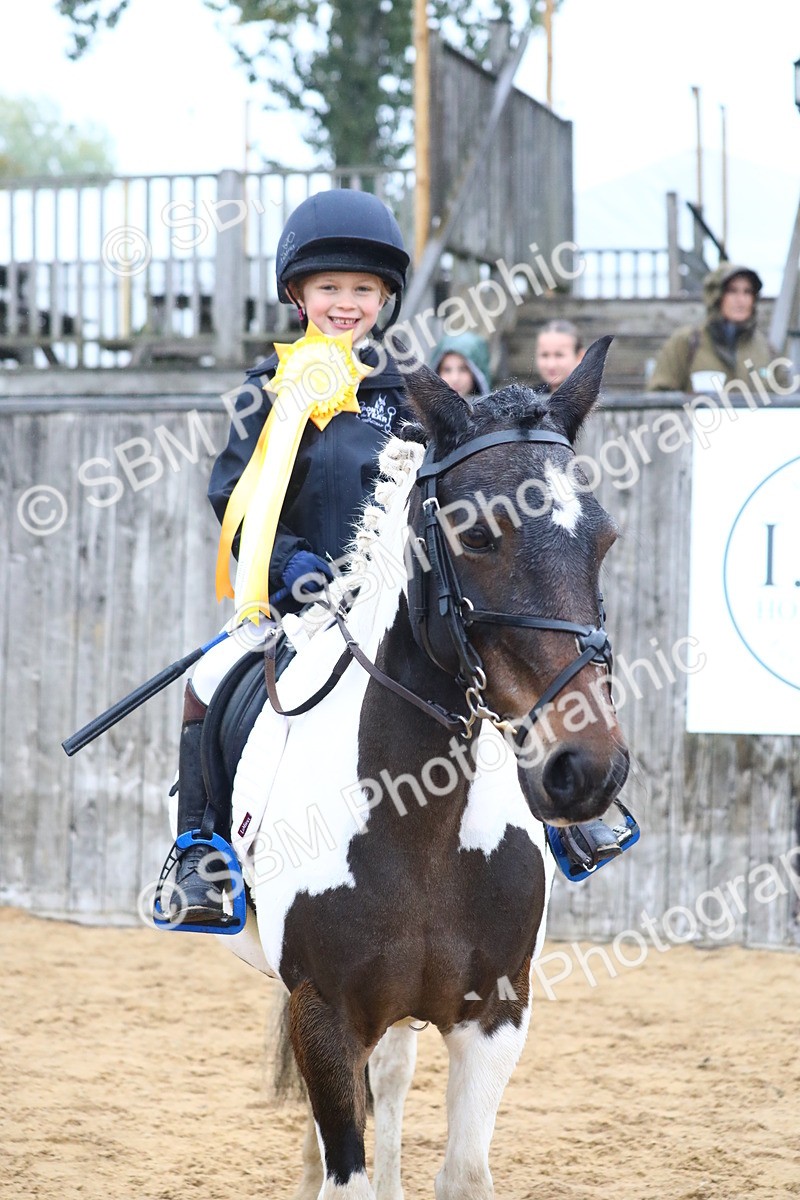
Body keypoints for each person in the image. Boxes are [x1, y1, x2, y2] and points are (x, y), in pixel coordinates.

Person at [169, 188, 412, 924]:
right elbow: (235, 501)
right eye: (329, 287)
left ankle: (568, 820)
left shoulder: (402, 394)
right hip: (298, 606)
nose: (346, 302)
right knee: (207, 681)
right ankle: (199, 856)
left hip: (395, 605)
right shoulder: (264, 392)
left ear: (383, 299)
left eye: (363, 289)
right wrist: (292, 566)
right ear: (298, 295)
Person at [648, 262, 783, 392]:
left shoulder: (766, 351)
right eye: (732, 291)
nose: (741, 300)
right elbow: (659, 398)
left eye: (747, 292)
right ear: (716, 296)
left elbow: (786, 405)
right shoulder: (686, 343)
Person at [430, 332, 491, 398]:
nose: (455, 378)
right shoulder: (422, 408)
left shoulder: (495, 408)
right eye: (447, 370)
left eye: (463, 369)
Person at [534, 319, 584, 392]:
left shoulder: (599, 401)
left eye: (559, 355)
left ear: (580, 357)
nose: (551, 365)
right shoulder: (529, 398)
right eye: (544, 355)